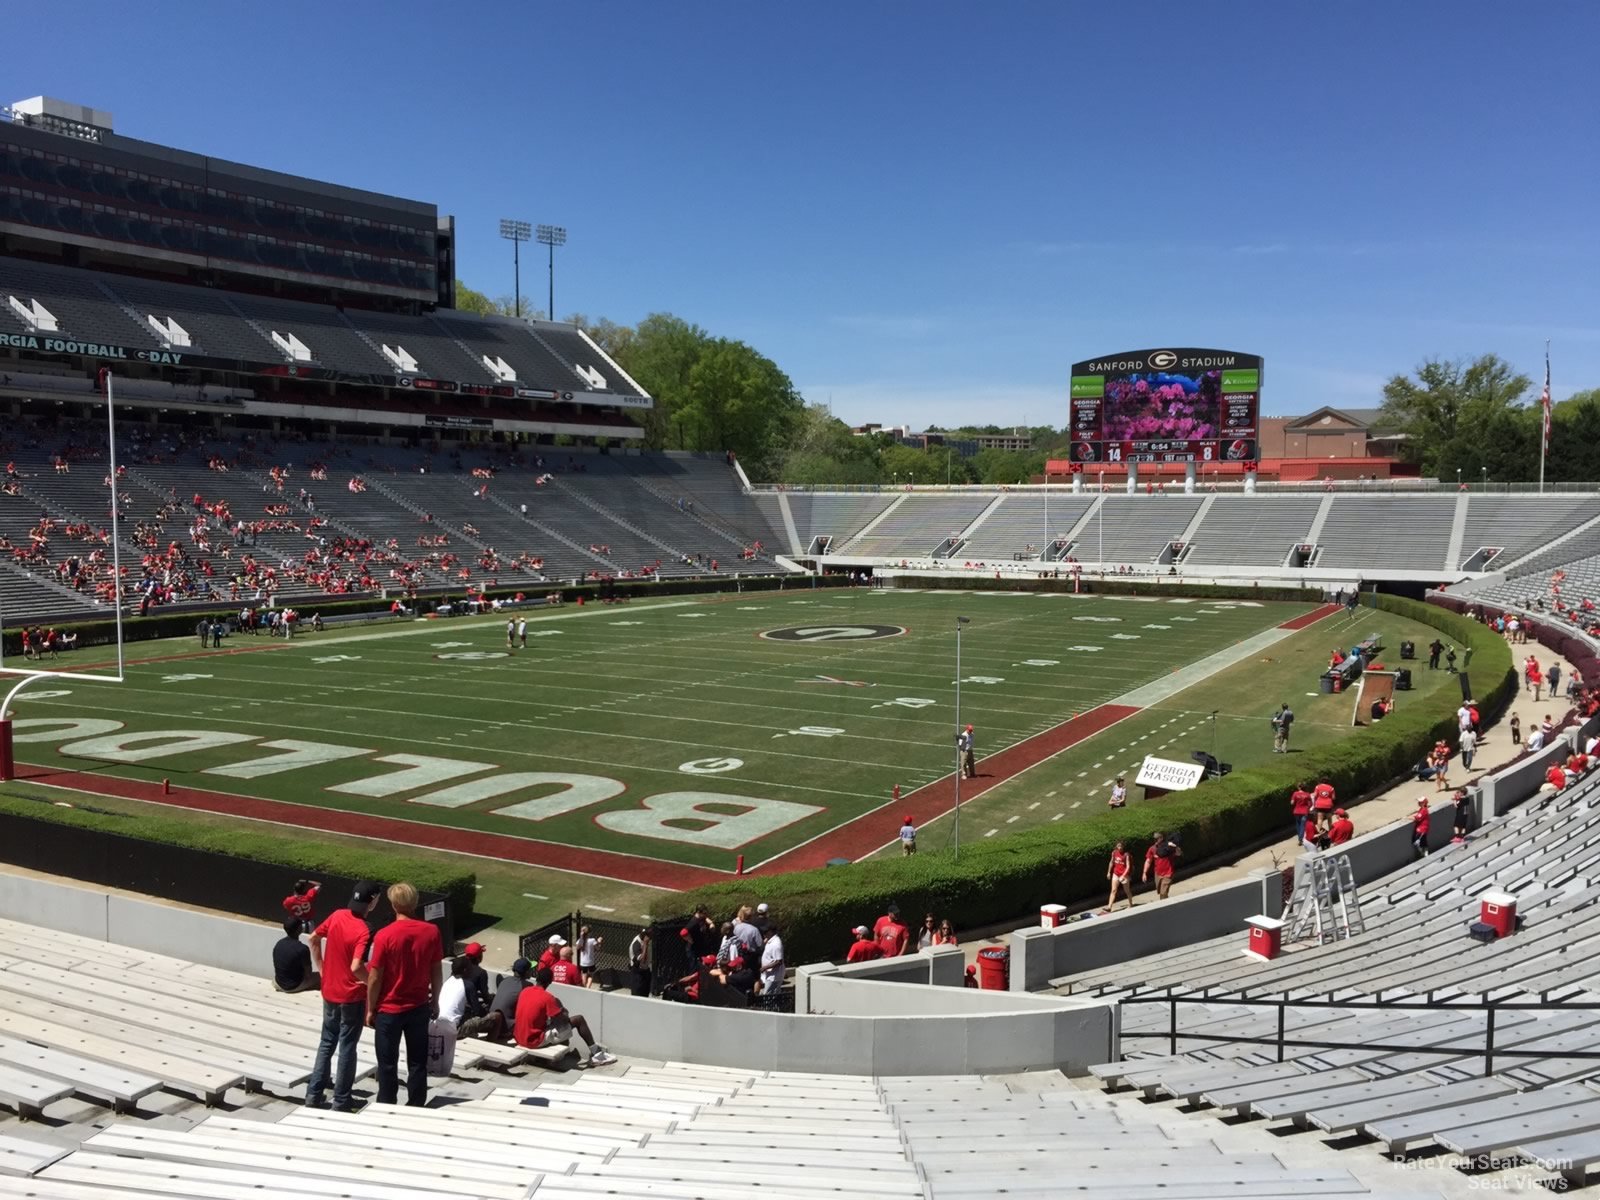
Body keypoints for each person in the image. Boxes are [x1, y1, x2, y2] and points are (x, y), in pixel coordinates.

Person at [365, 882, 444, 1107]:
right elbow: (436, 970)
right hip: (418, 1007)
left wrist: (370, 1008)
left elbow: (375, 976)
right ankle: (417, 1103)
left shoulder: (385, 935)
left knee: (387, 1063)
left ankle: (387, 1103)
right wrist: (435, 1000)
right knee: (418, 1062)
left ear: (393, 904)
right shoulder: (431, 932)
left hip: (389, 1010)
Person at [305, 880, 380, 1112]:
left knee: (327, 1042)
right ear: (373, 901)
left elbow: (313, 938)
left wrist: (322, 969)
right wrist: (372, 984)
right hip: (350, 996)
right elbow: (357, 965)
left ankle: (313, 1094)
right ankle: (341, 1099)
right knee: (347, 1046)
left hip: (330, 991)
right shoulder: (365, 929)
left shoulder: (338, 915)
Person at [514, 965, 615, 1066]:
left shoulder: (525, 991)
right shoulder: (548, 998)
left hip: (519, 1037)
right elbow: (564, 1020)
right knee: (579, 1019)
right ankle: (596, 1054)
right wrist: (563, 1011)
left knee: (552, 1026)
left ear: (537, 978)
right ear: (550, 981)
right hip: (533, 1041)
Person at [273, 917, 319, 993]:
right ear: (299, 929)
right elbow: (308, 974)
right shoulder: (302, 949)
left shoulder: (279, 943)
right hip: (293, 986)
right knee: (321, 977)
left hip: (278, 983)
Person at [1142, 831, 1180, 900]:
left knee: (1163, 893)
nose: (1155, 840)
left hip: (1168, 873)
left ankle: (1164, 907)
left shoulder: (1169, 847)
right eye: (1154, 839)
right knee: (1161, 892)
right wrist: (1144, 873)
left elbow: (1178, 853)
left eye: (1157, 839)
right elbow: (1148, 861)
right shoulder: (1152, 849)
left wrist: (1175, 846)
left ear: (1161, 838)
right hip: (1158, 874)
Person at [458, 942, 491, 1020]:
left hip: (458, 1005)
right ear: (479, 957)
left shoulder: (459, 968)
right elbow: (485, 996)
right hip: (469, 1009)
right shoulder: (481, 973)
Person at [1104, 840, 1134, 912]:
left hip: (1124, 874)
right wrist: (1108, 872)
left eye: (1121, 846)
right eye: (1118, 846)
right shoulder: (1114, 853)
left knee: (1127, 890)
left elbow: (1128, 866)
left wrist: (1123, 876)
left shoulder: (1126, 855)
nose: (1120, 847)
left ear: (1123, 846)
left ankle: (1131, 904)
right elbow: (1111, 862)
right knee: (1113, 890)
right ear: (1116, 846)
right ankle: (1109, 907)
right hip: (1116, 874)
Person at [759, 921, 785, 994]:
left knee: (769, 996)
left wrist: (765, 968)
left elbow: (779, 961)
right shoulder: (770, 941)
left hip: (774, 977)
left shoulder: (776, 944)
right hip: (770, 975)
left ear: (771, 932)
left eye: (765, 931)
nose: (764, 933)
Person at [628, 926, 652, 996]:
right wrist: (645, 944)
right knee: (637, 994)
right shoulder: (636, 944)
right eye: (646, 935)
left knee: (645, 994)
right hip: (638, 972)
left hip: (646, 971)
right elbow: (643, 960)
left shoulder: (646, 941)